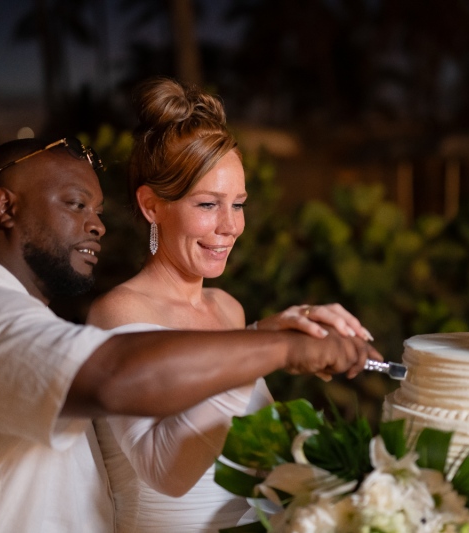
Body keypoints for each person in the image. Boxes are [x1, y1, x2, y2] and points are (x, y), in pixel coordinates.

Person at [0, 137, 380, 532]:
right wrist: (279, 346)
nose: (96, 225)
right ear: (4, 208)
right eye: (75, 204)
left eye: (97, 210)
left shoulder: (16, 314)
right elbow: (113, 375)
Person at [86, 78, 375, 532]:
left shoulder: (228, 309)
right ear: (151, 206)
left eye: (237, 204)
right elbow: (164, 470)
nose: (229, 226)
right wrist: (268, 348)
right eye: (207, 204)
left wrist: (278, 333)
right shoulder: (119, 314)